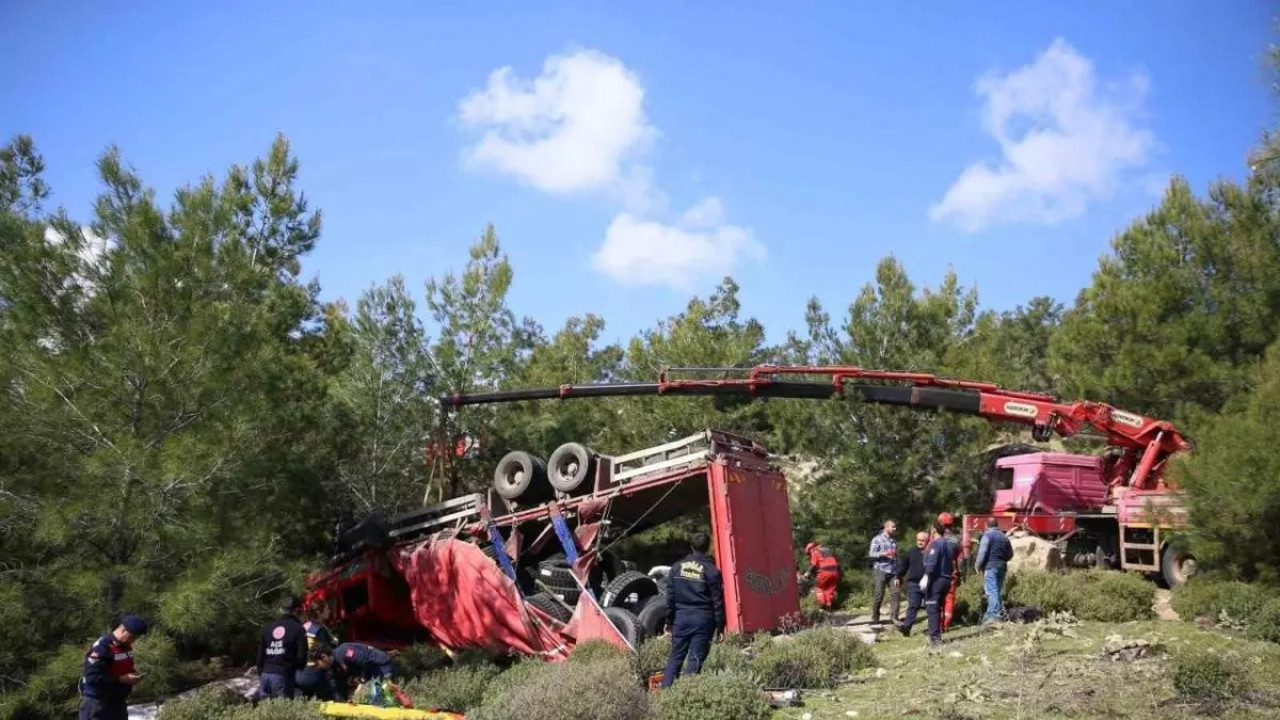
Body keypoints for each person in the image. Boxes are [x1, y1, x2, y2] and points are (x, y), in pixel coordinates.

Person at [660, 532, 726, 689]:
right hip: (703, 620)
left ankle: (665, 694)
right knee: (695, 659)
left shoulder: (676, 568)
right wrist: (720, 627)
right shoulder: (712, 571)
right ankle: (687, 696)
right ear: (709, 548)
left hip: (681, 618)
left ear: (691, 546)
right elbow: (718, 602)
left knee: (675, 657)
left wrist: (669, 621)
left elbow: (670, 598)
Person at [78, 614, 148, 720]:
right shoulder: (102, 648)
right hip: (98, 704)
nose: (134, 640)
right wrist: (121, 679)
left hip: (117, 703)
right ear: (123, 630)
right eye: (133, 636)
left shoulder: (125, 646)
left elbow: (119, 666)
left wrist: (132, 673)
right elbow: (92, 678)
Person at [256, 596, 308, 700]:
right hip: (283, 677)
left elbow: (259, 658)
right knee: (283, 713)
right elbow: (302, 658)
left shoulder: (267, 628)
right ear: (298, 611)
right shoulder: (298, 629)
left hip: (265, 676)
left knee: (264, 713)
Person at [920, 522, 957, 646]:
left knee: (932, 608)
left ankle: (935, 638)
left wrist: (926, 576)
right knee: (939, 607)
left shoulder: (936, 544)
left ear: (934, 530)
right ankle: (937, 634)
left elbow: (932, 562)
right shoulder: (948, 545)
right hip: (947, 579)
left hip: (936, 580)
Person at [974, 517, 1015, 623]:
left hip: (991, 566)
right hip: (1002, 567)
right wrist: (1002, 559)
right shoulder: (1004, 537)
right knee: (997, 590)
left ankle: (994, 615)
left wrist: (977, 565)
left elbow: (982, 552)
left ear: (986, 525)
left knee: (992, 591)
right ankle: (991, 613)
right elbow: (1010, 554)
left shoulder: (987, 536)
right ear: (997, 525)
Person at [930, 512, 963, 632]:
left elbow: (929, 555)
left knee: (936, 599)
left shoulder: (937, 538)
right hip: (952, 574)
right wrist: (959, 573)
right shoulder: (956, 540)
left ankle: (937, 625)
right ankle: (946, 625)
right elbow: (960, 559)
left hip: (938, 574)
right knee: (949, 599)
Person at [895, 532, 930, 637]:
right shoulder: (911, 551)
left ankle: (932, 628)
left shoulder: (931, 551)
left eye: (922, 540)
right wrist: (898, 576)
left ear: (927, 541)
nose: (920, 542)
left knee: (930, 606)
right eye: (918, 540)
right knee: (913, 606)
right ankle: (906, 627)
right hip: (914, 583)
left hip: (929, 583)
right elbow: (904, 565)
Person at [868, 520, 900, 624]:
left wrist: (898, 571)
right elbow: (871, 553)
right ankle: (875, 617)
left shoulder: (894, 541)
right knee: (879, 594)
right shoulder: (877, 539)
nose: (895, 529)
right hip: (880, 570)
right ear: (886, 527)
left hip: (893, 571)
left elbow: (896, 557)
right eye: (893, 527)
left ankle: (894, 617)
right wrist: (884, 553)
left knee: (896, 593)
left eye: (895, 527)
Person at [803, 541, 841, 610]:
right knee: (829, 590)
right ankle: (828, 608)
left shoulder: (814, 551)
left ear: (810, 549)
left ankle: (822, 608)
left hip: (825, 573)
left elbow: (813, 565)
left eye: (809, 554)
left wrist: (806, 574)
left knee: (819, 588)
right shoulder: (827, 550)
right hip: (835, 573)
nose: (809, 556)